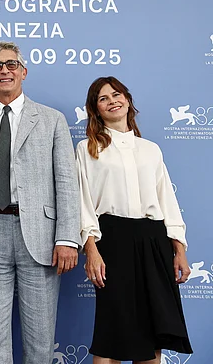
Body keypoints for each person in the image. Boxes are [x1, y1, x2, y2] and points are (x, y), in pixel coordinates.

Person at [0, 40, 80, 364]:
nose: (4, 71)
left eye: (11, 64)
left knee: (40, 338)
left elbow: (66, 182)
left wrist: (67, 238)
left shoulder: (52, 119)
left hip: (41, 238)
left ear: (23, 72)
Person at [78, 76, 192, 363]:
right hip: (112, 240)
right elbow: (82, 203)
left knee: (153, 332)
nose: (112, 101)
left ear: (127, 100)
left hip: (154, 241)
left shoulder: (150, 149)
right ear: (96, 109)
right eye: (103, 98)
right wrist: (91, 249)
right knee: (111, 331)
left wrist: (179, 249)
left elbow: (167, 201)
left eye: (117, 95)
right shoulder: (87, 148)